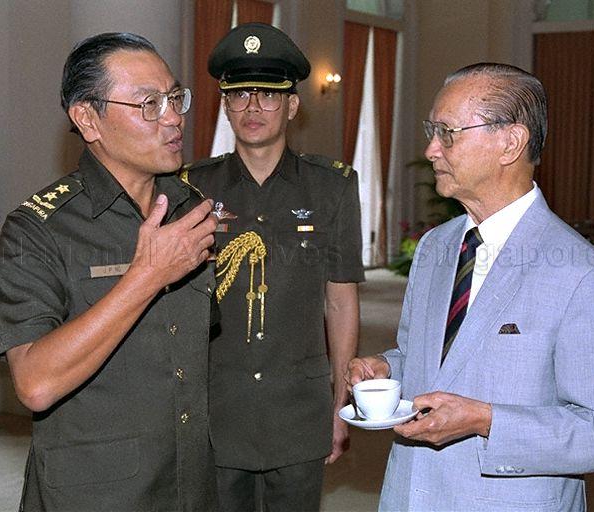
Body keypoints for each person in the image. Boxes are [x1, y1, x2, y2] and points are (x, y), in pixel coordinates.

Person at [347, 63, 594, 511]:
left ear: (510, 142)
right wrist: (387, 369)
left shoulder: (582, 275)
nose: (431, 149)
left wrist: (487, 421)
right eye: (433, 130)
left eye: (448, 133)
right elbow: (428, 360)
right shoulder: (435, 248)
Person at [0, 32, 219, 511]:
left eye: (175, 98)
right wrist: (147, 275)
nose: (175, 117)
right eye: (149, 104)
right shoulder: (38, 229)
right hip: (97, 493)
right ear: (88, 119)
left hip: (189, 483)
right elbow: (35, 382)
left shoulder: (189, 209)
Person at [183, 22, 364, 511]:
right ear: (225, 105)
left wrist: (341, 404)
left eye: (268, 95)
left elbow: (341, 301)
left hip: (298, 409)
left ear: (293, 106)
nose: (252, 108)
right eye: (240, 95)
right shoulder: (190, 188)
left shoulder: (333, 188)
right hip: (216, 408)